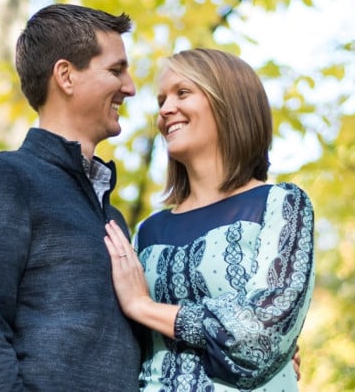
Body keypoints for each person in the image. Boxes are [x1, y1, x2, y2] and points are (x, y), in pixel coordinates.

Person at [0, 3, 142, 392]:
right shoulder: (8, 179)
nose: (130, 87)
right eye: (115, 70)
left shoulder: (114, 219)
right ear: (66, 76)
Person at [105, 48, 315, 391]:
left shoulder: (281, 204)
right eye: (161, 99)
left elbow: (258, 339)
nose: (165, 109)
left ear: (228, 103)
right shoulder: (147, 232)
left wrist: (142, 306)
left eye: (182, 93)